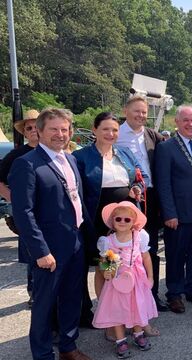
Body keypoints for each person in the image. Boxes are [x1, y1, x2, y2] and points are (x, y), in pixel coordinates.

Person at [9, 108, 92, 360]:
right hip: (49, 249)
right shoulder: (26, 164)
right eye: (54, 129)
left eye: (65, 129)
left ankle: (68, 347)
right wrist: (41, 251)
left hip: (75, 242)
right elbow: (23, 212)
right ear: (40, 131)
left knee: (71, 297)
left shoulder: (71, 159)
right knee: (44, 304)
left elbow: (76, 201)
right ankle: (43, 353)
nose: (60, 134)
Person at [73, 112, 151, 332]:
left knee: (127, 265)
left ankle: (130, 314)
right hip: (98, 220)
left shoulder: (124, 152)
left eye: (115, 130)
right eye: (106, 129)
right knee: (104, 268)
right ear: (95, 129)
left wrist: (137, 187)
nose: (110, 134)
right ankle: (108, 319)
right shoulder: (82, 156)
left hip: (124, 219)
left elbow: (142, 176)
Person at [155, 104, 192, 313]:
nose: (190, 124)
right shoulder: (166, 147)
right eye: (186, 120)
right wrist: (169, 213)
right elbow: (163, 183)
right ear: (176, 122)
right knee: (176, 254)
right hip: (178, 213)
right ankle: (175, 294)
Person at [116, 96, 168, 312]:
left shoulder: (152, 135)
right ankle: (121, 300)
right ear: (125, 111)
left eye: (144, 112)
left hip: (151, 196)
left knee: (149, 247)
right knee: (123, 249)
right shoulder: (115, 134)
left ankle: (152, 295)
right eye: (136, 111)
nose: (141, 116)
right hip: (126, 198)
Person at [93, 201, 157, 358]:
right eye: (118, 219)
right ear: (113, 221)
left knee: (136, 306)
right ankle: (120, 340)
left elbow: (146, 257)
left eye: (127, 220)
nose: (122, 222)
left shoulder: (139, 237)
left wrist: (150, 276)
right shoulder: (108, 241)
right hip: (116, 283)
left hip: (136, 282)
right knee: (117, 310)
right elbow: (105, 262)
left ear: (134, 222)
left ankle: (138, 333)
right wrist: (106, 271)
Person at [0, 109, 39, 306]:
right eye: (28, 127)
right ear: (24, 132)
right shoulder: (16, 155)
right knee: (32, 251)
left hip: (49, 209)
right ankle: (33, 292)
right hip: (26, 210)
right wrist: (11, 197)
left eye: (35, 126)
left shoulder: (55, 151)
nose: (33, 130)